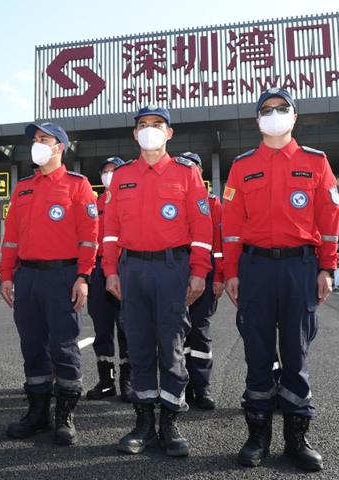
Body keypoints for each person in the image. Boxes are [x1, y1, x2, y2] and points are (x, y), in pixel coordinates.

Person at [221, 87, 339, 471]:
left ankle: (296, 438)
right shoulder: (241, 166)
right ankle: (257, 436)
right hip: (255, 269)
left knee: (296, 352)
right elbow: (232, 226)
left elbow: (329, 222)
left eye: (281, 108)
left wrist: (327, 267)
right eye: (266, 110)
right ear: (257, 120)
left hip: (299, 268)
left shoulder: (316, 162)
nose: (274, 114)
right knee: (257, 352)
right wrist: (233, 272)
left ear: (294, 116)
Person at [103, 106, 212, 457]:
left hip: (172, 268)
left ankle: (170, 420)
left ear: (169, 133)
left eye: (157, 125)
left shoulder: (186, 172)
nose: (150, 130)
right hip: (132, 268)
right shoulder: (122, 176)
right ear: (135, 134)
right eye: (143, 125)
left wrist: (199, 270)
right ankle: (144, 422)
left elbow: (201, 226)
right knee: (138, 345)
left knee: (171, 345)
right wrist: (110, 270)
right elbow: (110, 231)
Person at [0, 122, 98, 446]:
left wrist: (83, 276)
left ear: (60, 148)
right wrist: (7, 274)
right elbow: (11, 237)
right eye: (35, 139)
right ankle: (37, 412)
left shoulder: (78, 185)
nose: (37, 144)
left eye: (45, 139)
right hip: (27, 276)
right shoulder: (23, 187)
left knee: (64, 346)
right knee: (32, 345)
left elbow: (89, 237)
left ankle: (65, 415)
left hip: (62, 275)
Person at [176, 152, 224, 411]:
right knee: (176, 332)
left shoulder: (212, 203)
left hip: (205, 274)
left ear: (200, 172)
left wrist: (218, 277)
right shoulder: (174, 200)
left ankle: (202, 387)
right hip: (177, 274)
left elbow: (218, 245)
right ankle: (180, 385)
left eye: (194, 166)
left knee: (200, 331)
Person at [85, 157, 130, 403]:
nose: (108, 175)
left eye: (113, 171)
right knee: (102, 328)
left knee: (127, 327)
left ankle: (128, 380)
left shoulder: (130, 200)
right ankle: (106, 381)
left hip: (124, 269)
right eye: (104, 171)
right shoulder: (94, 203)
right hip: (99, 270)